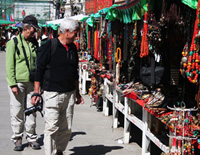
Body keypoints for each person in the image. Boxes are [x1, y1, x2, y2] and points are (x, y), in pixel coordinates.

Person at [31, 18, 84, 155]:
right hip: (52, 93)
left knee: (66, 128)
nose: (76, 36)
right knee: (52, 127)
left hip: (69, 93)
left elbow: (75, 72)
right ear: (67, 32)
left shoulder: (72, 48)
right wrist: (36, 92)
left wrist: (77, 93)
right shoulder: (49, 46)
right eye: (75, 33)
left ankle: (59, 150)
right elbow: (39, 70)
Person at [6, 15, 41, 151]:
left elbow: (37, 63)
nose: (34, 32)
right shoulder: (13, 43)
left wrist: (39, 84)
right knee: (17, 110)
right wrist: (12, 84)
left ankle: (32, 137)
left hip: (31, 83)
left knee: (32, 110)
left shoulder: (33, 43)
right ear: (26, 27)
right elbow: (9, 65)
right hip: (18, 83)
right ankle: (17, 138)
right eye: (33, 29)